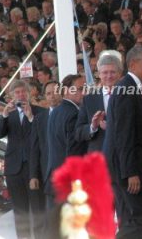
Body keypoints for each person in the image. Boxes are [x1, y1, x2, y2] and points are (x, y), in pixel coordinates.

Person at [104, 46, 142, 239]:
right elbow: (124, 135)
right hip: (127, 169)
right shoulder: (127, 89)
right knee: (140, 219)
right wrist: (130, 172)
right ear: (133, 64)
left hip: (120, 167)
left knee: (129, 219)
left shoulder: (126, 87)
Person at [0, 80, 45, 238]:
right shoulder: (9, 114)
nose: (21, 95)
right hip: (14, 168)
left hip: (34, 168)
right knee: (20, 210)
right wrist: (4, 115)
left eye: (23, 92)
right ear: (11, 96)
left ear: (29, 94)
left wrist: (31, 118)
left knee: (37, 208)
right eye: (17, 93)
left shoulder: (40, 112)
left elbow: (41, 135)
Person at [45, 74, 86, 208]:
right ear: (67, 91)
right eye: (80, 89)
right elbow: (74, 149)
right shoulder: (74, 114)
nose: (84, 92)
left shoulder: (55, 111)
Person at [75, 55, 123, 152]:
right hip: (99, 158)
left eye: (113, 72)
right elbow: (78, 133)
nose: (109, 76)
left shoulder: (130, 96)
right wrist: (93, 126)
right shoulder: (89, 99)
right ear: (99, 74)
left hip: (123, 154)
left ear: (120, 74)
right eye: (105, 72)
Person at [29, 81, 62, 205]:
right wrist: (33, 175)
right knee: (52, 215)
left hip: (68, 173)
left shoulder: (71, 113)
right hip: (47, 175)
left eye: (55, 92)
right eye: (48, 93)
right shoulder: (40, 118)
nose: (52, 96)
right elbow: (35, 148)